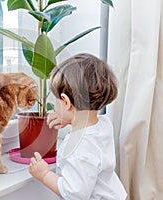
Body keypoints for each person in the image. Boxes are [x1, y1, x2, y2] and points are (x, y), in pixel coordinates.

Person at [29, 53, 127, 200]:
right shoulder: (103, 124)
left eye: (56, 100)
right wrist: (68, 119)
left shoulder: (79, 146)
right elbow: (85, 127)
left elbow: (74, 194)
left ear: (66, 102)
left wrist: (44, 175)